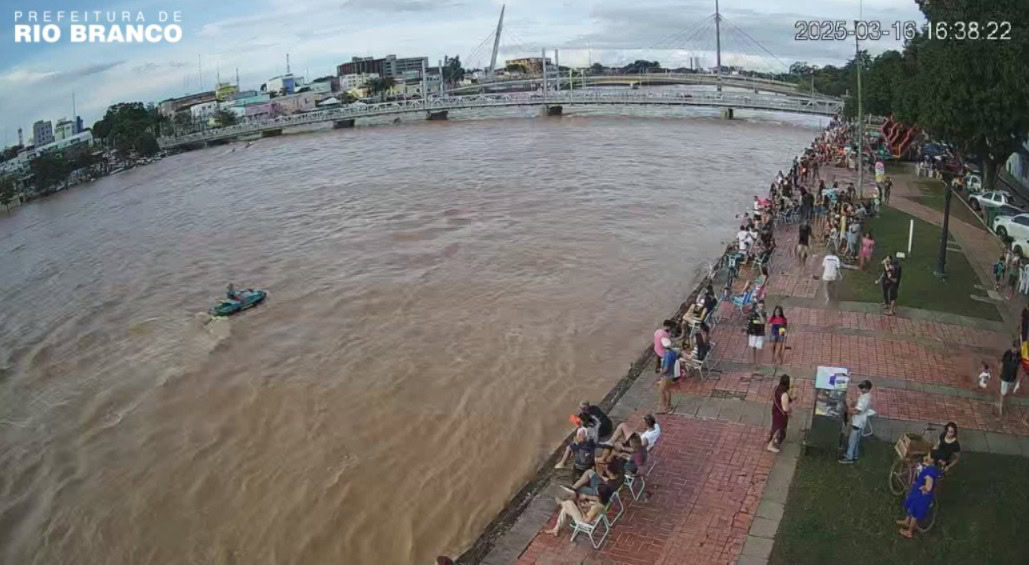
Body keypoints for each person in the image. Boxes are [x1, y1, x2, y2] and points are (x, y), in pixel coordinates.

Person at [897, 452, 940, 539]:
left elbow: (928, 487)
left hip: (921, 496)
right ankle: (906, 521)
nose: (926, 456)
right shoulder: (932, 467)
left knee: (914, 513)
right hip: (917, 493)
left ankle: (909, 531)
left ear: (932, 460)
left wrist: (921, 487)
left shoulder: (930, 473)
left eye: (929, 456)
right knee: (912, 506)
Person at [545, 483, 613, 537]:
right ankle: (556, 528)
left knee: (568, 503)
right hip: (587, 515)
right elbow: (596, 500)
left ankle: (561, 500)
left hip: (584, 523)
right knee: (566, 508)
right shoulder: (600, 503)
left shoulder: (596, 507)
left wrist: (580, 507)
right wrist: (586, 500)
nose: (595, 493)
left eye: (597, 492)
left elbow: (586, 520)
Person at [839, 380, 873, 464]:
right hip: (860, 422)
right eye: (861, 387)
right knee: (856, 441)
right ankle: (855, 455)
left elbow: (857, 411)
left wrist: (847, 411)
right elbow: (857, 403)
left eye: (863, 387)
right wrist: (853, 403)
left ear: (868, 388)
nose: (861, 389)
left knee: (852, 441)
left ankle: (849, 457)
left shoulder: (865, 398)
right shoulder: (865, 396)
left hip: (857, 422)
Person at [767, 374, 791, 453]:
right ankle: (771, 445)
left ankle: (772, 440)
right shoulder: (784, 394)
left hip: (775, 411)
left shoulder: (776, 388)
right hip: (781, 415)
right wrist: (789, 411)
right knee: (778, 429)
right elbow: (785, 408)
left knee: (775, 426)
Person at [999, 341, 1021, 417]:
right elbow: (1001, 363)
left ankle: (1004, 404)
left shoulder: (1019, 355)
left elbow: (1019, 367)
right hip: (1005, 376)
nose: (1016, 349)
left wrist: (1018, 377)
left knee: (1007, 392)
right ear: (1013, 347)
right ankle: (1000, 408)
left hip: (1012, 377)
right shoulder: (1007, 353)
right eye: (1015, 348)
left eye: (1018, 348)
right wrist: (1000, 373)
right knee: (1003, 393)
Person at [658, 337, 679, 413]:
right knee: (667, 390)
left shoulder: (667, 355)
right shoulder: (673, 352)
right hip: (671, 373)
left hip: (666, 375)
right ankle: (669, 405)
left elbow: (666, 368)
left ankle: (665, 408)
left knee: (661, 390)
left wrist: (660, 374)